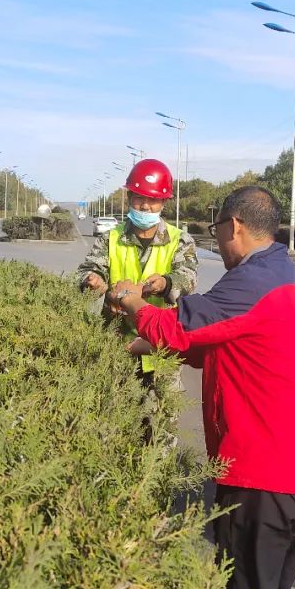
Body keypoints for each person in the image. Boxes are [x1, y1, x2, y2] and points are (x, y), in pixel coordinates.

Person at [106, 186, 295, 589]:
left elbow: (177, 326)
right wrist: (144, 346)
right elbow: (217, 342)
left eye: (217, 230)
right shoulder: (278, 273)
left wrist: (130, 301)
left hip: (261, 479)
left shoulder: (252, 280)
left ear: (235, 226)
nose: (218, 240)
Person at [77, 159, 199, 434]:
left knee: (161, 429)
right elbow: (87, 270)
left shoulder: (180, 240)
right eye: (139, 198)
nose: (145, 206)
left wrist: (166, 284)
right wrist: (92, 281)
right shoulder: (111, 238)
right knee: (115, 425)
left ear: (163, 202)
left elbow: (189, 279)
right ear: (129, 198)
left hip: (161, 348)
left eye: (152, 201)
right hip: (119, 345)